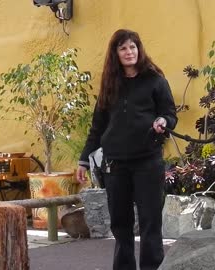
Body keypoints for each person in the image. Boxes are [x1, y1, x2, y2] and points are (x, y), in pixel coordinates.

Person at [76, 29, 177, 270]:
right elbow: (98, 127)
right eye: (123, 48)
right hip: (115, 164)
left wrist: (164, 121)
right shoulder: (110, 84)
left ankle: (152, 267)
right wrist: (83, 160)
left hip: (148, 162)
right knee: (120, 224)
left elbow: (170, 113)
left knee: (150, 221)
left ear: (139, 50)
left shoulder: (155, 80)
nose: (129, 52)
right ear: (116, 53)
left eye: (133, 47)